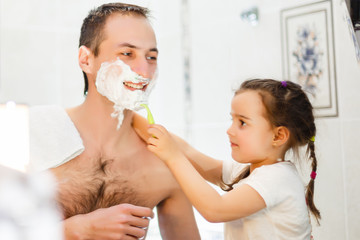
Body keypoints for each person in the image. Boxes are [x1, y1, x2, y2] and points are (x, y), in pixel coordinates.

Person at [29, 3, 200, 240]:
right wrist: (73, 230)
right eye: (127, 54)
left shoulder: (166, 164)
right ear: (86, 59)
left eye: (151, 57)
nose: (144, 71)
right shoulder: (32, 135)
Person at [135, 79, 321, 239]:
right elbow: (190, 154)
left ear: (278, 136)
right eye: (232, 120)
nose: (230, 130)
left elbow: (215, 209)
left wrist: (172, 157)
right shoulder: (249, 171)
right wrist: (131, 117)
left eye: (242, 123)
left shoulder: (277, 179)